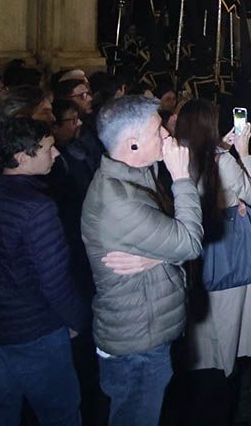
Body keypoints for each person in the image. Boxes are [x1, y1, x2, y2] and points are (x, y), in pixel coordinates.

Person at [81, 95, 202, 426]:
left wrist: (156, 257)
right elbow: (189, 242)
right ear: (133, 145)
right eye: (158, 130)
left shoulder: (134, 172)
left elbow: (165, 236)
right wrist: (181, 178)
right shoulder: (119, 200)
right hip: (137, 342)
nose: (167, 134)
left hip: (144, 328)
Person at [0, 118, 87, 426]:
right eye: (47, 148)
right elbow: (54, 279)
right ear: (22, 157)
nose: (57, 153)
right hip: (36, 329)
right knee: (60, 412)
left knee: (0, 410)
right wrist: (76, 320)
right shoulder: (37, 208)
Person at [180, 99, 251, 377]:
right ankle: (223, 377)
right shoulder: (222, 163)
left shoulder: (181, 158)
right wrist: (243, 152)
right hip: (228, 249)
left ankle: (202, 370)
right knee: (227, 319)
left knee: (203, 322)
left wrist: (221, 147)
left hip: (196, 248)